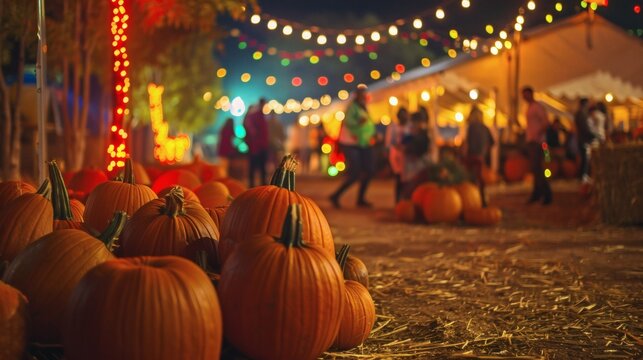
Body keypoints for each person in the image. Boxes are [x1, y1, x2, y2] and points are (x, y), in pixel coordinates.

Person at [329, 85, 376, 208]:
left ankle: (360, 198)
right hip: (352, 143)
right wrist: (358, 124)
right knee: (356, 173)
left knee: (368, 170)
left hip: (362, 143)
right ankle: (336, 195)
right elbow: (350, 122)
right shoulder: (353, 108)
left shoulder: (362, 107)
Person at [522, 86, 552, 205]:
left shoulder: (537, 107)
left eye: (526, 94)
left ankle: (546, 194)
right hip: (532, 141)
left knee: (539, 169)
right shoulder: (529, 108)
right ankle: (537, 193)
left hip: (538, 142)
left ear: (531, 94)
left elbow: (545, 123)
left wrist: (537, 135)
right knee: (535, 169)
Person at [462, 106, 494, 207]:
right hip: (481, 156)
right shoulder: (485, 128)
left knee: (472, 178)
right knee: (480, 178)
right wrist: (485, 151)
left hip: (472, 155)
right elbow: (492, 142)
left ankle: (474, 200)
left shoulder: (471, 126)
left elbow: (467, 142)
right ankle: (481, 199)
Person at [385, 107, 410, 203]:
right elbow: (389, 142)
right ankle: (398, 201)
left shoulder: (410, 126)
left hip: (407, 155)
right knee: (399, 177)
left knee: (407, 178)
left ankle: (405, 199)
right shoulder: (393, 127)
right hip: (396, 154)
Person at [243, 98, 269, 187]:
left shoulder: (262, 116)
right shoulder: (255, 115)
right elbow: (248, 125)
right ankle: (251, 185)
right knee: (254, 167)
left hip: (262, 145)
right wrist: (252, 133)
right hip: (255, 146)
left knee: (262, 168)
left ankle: (262, 184)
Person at [574, 98, 593, 181]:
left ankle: (582, 176)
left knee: (584, 158)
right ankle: (583, 176)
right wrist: (593, 135)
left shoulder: (581, 114)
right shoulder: (581, 114)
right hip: (583, 139)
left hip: (582, 139)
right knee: (585, 158)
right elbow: (584, 128)